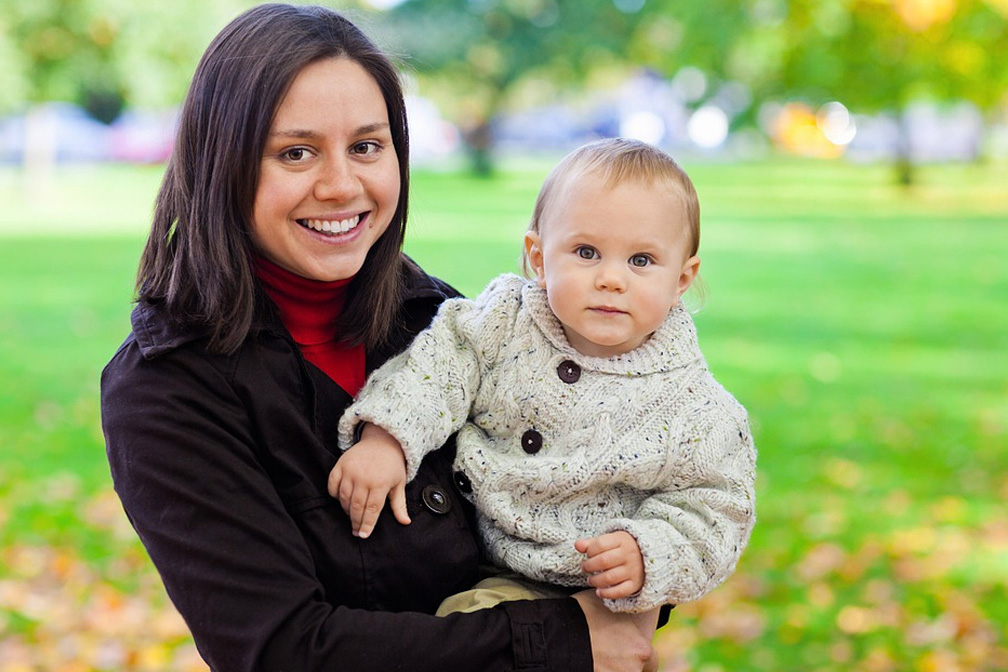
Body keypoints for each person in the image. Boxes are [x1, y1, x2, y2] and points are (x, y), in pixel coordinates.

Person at [100, 4, 661, 671]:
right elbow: (282, 650)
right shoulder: (166, 388)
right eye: (296, 152)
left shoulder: (446, 323)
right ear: (223, 163)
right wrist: (566, 639)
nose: (342, 186)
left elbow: (600, 500)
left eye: (367, 146)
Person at [329, 138, 757, 620]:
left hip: (588, 590)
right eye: (586, 251)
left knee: (466, 629)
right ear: (538, 255)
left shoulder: (695, 408)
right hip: (472, 545)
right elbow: (438, 369)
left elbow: (716, 508)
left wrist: (649, 552)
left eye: (641, 261)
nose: (611, 279)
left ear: (682, 278)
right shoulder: (503, 323)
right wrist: (389, 437)